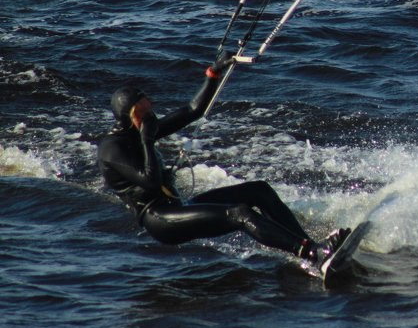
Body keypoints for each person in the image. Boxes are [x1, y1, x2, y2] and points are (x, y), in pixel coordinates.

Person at [97, 54, 348, 268]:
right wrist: (148, 141)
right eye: (144, 112)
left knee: (259, 191)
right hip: (161, 219)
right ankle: (313, 254)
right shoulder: (113, 148)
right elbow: (150, 183)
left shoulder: (140, 131)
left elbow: (193, 110)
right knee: (239, 213)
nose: (151, 114)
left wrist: (212, 74)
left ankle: (311, 249)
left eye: (148, 106)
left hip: (178, 205)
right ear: (129, 117)